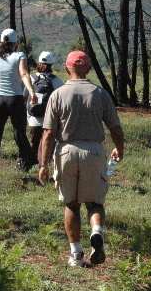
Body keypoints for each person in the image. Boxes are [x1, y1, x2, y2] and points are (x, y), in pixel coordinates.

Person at [38, 50, 126, 267]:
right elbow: (115, 127)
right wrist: (119, 148)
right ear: (88, 68)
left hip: (66, 151)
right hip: (94, 151)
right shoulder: (101, 93)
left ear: (67, 69)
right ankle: (97, 230)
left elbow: (48, 133)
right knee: (95, 202)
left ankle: (76, 254)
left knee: (72, 204)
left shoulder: (57, 95)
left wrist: (43, 164)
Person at [0, 29, 38, 178]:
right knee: (19, 133)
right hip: (15, 99)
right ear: (16, 43)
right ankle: (29, 159)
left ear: (1, 42)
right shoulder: (19, 56)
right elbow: (24, 74)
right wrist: (32, 92)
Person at [25, 51, 64, 166]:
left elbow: (24, 97)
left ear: (38, 63)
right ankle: (44, 165)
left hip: (33, 118)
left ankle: (28, 164)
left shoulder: (30, 78)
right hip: (49, 119)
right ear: (51, 64)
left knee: (34, 141)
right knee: (47, 143)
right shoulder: (56, 80)